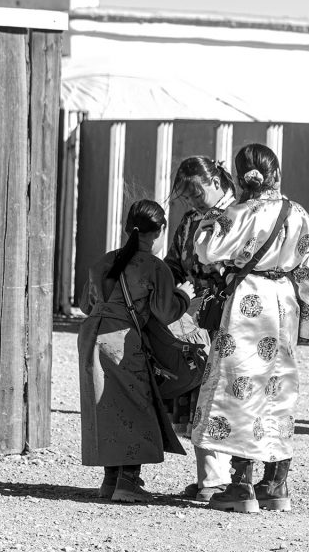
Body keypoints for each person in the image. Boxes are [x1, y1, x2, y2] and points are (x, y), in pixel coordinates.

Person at [191, 143, 309, 513]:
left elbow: (206, 251)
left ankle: (240, 485)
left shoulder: (238, 213)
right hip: (285, 303)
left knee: (240, 387)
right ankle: (275, 483)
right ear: (275, 173)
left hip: (248, 303)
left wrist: (211, 216)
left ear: (241, 177)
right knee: (278, 388)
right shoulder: (299, 214)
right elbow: (307, 271)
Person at [77, 199, 196, 502]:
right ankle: (128, 482)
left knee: (105, 407)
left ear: (127, 227)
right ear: (159, 231)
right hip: (122, 340)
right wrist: (184, 295)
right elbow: (166, 312)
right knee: (136, 406)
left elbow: (85, 305)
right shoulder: (155, 267)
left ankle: (110, 480)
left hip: (90, 336)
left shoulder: (104, 261)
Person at [164, 156, 238, 502]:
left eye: (197, 192)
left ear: (217, 182)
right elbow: (174, 265)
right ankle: (210, 478)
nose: (193, 201)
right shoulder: (191, 220)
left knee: (220, 394)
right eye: (187, 196)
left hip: (232, 315)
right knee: (197, 395)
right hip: (195, 318)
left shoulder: (239, 216)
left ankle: (223, 479)